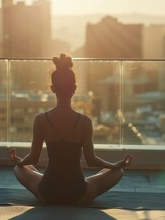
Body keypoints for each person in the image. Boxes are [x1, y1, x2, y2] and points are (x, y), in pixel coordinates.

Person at [9, 53, 132, 205]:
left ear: (53, 88)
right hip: (78, 194)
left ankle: (29, 172)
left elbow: (33, 158)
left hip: (47, 193)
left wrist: (19, 161)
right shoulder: (84, 121)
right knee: (118, 172)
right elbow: (91, 161)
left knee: (19, 168)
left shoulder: (40, 120)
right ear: (74, 89)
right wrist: (113, 166)